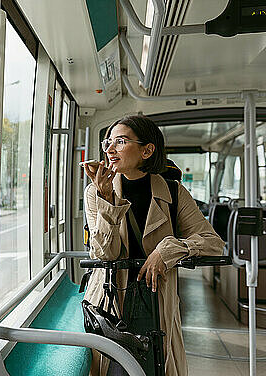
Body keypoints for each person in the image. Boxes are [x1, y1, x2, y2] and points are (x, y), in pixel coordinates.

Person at [82, 115, 224, 376]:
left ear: (147, 150)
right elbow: (105, 254)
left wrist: (167, 250)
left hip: (157, 298)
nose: (110, 150)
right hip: (111, 298)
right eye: (108, 143)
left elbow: (213, 243)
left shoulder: (173, 191)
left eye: (121, 142)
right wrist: (107, 200)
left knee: (158, 364)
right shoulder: (95, 192)